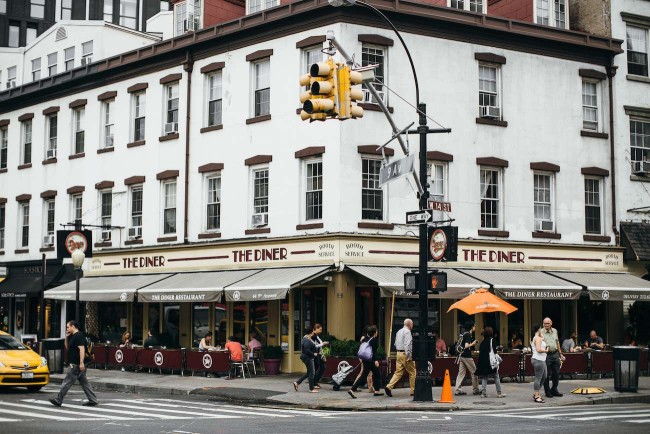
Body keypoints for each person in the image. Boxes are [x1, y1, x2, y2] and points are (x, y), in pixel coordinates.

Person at [49, 320, 98, 407]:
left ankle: (59, 400)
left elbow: (82, 349)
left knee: (67, 382)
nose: (67, 329)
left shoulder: (78, 336)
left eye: (68, 327)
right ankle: (93, 399)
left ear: (73, 326)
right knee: (84, 382)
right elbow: (68, 348)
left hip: (76, 364)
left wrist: (81, 363)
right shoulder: (73, 336)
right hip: (76, 363)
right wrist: (67, 338)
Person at [349, 325, 383, 398]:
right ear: (374, 333)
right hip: (370, 360)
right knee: (376, 374)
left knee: (367, 374)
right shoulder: (373, 340)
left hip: (364, 359)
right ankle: (376, 391)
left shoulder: (365, 339)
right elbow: (374, 352)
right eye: (376, 331)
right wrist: (376, 361)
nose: (377, 333)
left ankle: (352, 390)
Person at [385, 318, 416, 397]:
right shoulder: (408, 332)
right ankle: (413, 390)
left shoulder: (399, 331)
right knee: (412, 372)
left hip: (398, 353)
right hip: (405, 354)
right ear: (409, 324)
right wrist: (409, 355)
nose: (412, 325)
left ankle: (389, 386)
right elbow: (408, 344)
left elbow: (395, 343)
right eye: (412, 324)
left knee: (398, 372)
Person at [476, 326, 506, 398]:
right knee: (496, 376)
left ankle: (483, 393)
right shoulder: (492, 340)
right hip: (491, 362)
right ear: (491, 333)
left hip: (484, 362)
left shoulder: (482, 342)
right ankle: (499, 393)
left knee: (485, 377)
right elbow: (495, 352)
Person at [454, 321, 480, 396]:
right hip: (467, 356)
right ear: (471, 327)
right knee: (475, 372)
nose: (475, 327)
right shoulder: (468, 334)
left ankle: (458, 390)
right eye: (474, 326)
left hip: (461, 356)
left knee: (461, 373)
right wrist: (473, 343)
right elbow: (466, 346)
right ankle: (476, 389)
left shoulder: (464, 334)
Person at [542, 317, 565, 398]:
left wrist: (560, 353)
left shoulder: (555, 331)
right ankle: (547, 391)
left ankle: (554, 389)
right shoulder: (541, 332)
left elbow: (557, 342)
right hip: (546, 355)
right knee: (546, 374)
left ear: (551, 323)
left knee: (556, 374)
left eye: (548, 323)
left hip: (555, 354)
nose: (546, 325)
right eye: (545, 323)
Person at [293, 326, 319, 392]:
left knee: (309, 372)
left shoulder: (307, 338)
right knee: (312, 373)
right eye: (313, 330)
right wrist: (313, 354)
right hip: (308, 357)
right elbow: (307, 350)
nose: (314, 332)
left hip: (306, 357)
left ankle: (297, 383)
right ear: (311, 331)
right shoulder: (306, 340)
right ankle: (311, 389)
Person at [531, 324, 549, 403]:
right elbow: (538, 349)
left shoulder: (537, 337)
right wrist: (546, 350)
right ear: (538, 329)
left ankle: (536, 393)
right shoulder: (537, 338)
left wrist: (541, 336)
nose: (541, 329)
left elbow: (542, 339)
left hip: (541, 359)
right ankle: (536, 395)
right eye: (540, 328)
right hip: (538, 359)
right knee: (538, 378)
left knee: (544, 376)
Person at [312, 324, 329, 389]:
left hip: (319, 354)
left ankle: (315, 381)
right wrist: (323, 344)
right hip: (315, 355)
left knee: (322, 367)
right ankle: (314, 383)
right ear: (316, 328)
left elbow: (320, 347)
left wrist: (323, 355)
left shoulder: (317, 336)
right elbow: (314, 346)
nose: (321, 331)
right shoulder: (313, 336)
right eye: (320, 329)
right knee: (316, 368)